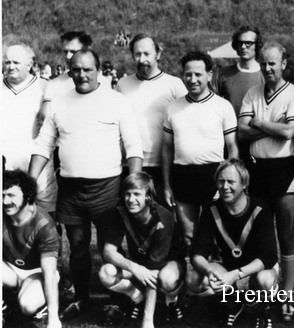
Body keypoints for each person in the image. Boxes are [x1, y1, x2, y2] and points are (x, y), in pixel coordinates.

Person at [29, 49, 143, 320]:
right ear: (69, 70)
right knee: (77, 248)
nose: (81, 75)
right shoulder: (59, 100)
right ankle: (81, 298)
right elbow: (44, 144)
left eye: (87, 69)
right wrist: (30, 183)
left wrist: (135, 183)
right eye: (76, 69)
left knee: (110, 248)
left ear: (99, 70)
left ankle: (117, 300)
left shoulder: (116, 101)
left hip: (108, 187)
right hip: (71, 189)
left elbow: (133, 144)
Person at [238, 41, 294, 322]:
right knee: (259, 236)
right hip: (257, 170)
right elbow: (241, 132)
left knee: (286, 234)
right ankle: (262, 290)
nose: (267, 68)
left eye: (272, 63)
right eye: (263, 63)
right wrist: (272, 126)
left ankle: (288, 295)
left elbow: (290, 132)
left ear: (283, 63)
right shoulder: (253, 92)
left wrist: (258, 123)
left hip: (285, 170)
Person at [186, 159, 278, 328]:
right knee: (193, 279)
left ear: (244, 184)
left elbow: (269, 256)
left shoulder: (260, 208)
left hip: (254, 270)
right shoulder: (211, 209)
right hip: (227, 268)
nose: (225, 187)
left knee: (266, 280)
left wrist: (235, 275)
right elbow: (197, 253)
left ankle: (263, 306)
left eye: (231, 182)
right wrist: (208, 271)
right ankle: (233, 303)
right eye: (221, 181)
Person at [162, 51, 239, 253]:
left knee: (216, 237)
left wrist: (231, 181)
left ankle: (218, 283)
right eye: (188, 74)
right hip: (183, 177)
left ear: (209, 75)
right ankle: (195, 282)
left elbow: (232, 148)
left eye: (198, 74)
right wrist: (168, 186)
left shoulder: (223, 106)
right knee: (189, 237)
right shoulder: (172, 108)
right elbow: (167, 149)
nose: (193, 79)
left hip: (213, 177)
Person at [99, 172, 186, 327]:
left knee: (166, 279)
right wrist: (134, 267)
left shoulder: (162, 219)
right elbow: (108, 251)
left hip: (168, 263)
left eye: (137, 194)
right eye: (127, 194)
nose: (131, 200)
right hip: (140, 261)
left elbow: (154, 272)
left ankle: (172, 299)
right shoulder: (120, 210)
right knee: (106, 273)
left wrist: (147, 321)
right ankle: (137, 297)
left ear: (148, 196)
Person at [116, 34, 187, 195]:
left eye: (147, 54)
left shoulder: (174, 85)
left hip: (164, 167)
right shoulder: (122, 84)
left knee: (163, 217)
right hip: (129, 165)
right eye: (137, 54)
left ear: (158, 54)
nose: (142, 59)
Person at [2, 44, 57, 214]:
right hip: (6, 161)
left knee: (44, 212)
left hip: (38, 162)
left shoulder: (46, 87)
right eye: (7, 62)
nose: (11, 66)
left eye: (16, 62)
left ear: (29, 64)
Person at [2, 170, 61, 328]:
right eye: (2, 195)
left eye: (11, 195)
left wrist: (54, 320)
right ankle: (3, 307)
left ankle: (43, 307)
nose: (5, 201)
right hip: (11, 270)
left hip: (38, 272)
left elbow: (49, 273)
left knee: (27, 306)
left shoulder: (43, 224)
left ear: (27, 196)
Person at [212, 25, 265, 160]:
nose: (243, 47)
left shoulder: (265, 74)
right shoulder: (223, 73)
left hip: (257, 142)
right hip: (227, 142)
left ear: (257, 45)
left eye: (248, 43)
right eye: (240, 43)